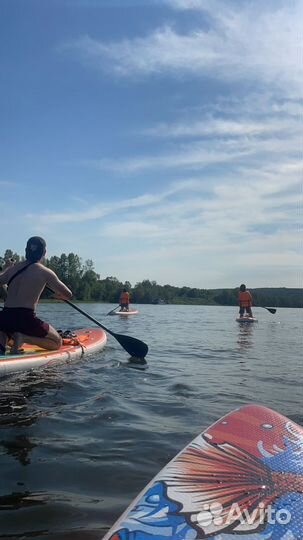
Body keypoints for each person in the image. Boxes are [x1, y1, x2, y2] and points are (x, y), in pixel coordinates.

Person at [0, 237, 72, 355]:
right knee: (57, 342)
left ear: (26, 250)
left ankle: (4, 341)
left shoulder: (12, 269)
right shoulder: (45, 272)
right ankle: (24, 338)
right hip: (26, 318)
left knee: (3, 331)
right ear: (44, 253)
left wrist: (5, 269)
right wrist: (58, 296)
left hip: (5, 316)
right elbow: (68, 294)